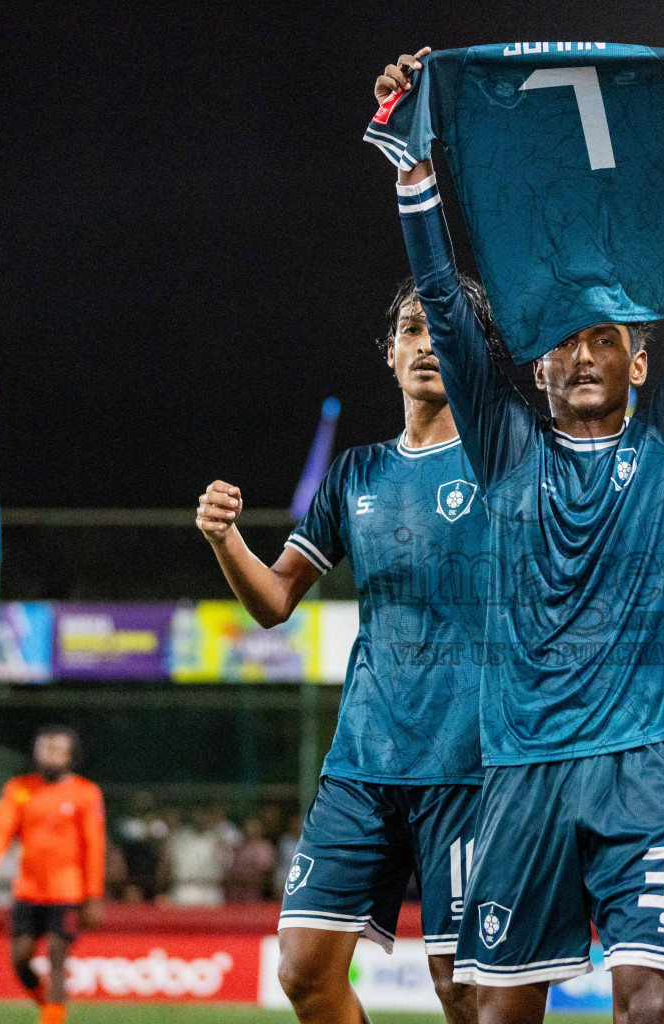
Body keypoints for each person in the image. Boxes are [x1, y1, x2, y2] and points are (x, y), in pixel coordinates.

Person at [377, 42, 664, 1024]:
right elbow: (448, 314)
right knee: (494, 1015)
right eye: (566, 343)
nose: (586, 354)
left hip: (639, 767)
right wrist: (419, 174)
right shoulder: (502, 445)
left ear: (642, 365)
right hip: (520, 772)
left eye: (609, 341)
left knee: (644, 1002)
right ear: (537, 368)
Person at [194, 275, 496, 1024]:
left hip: (469, 767)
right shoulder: (356, 473)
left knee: (463, 988)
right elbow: (273, 603)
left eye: (443, 328)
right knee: (302, 971)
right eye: (412, 329)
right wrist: (225, 539)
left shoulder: (502, 462)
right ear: (389, 352)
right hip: (362, 764)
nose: (426, 344)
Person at [0, 726, 105, 1024]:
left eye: (58, 749)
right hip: (29, 889)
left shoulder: (85, 793)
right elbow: (0, 829)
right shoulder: (20, 789)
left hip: (68, 890)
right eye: (45, 748)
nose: (50, 754)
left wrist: (93, 895)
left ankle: (52, 1019)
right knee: (20, 958)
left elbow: (94, 847)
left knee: (58, 954)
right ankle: (50, 1007)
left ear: (71, 756)